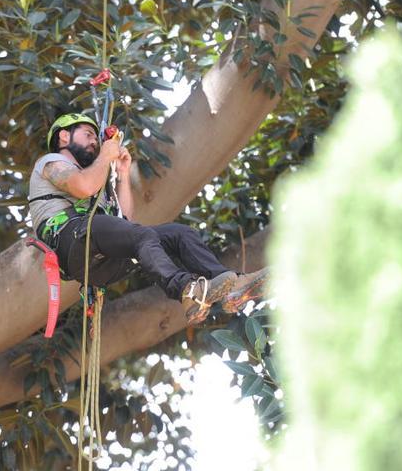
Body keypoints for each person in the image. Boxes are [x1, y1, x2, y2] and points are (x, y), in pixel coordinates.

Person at [28, 112, 243, 325]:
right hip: (70, 243)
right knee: (141, 234)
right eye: (88, 134)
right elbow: (83, 186)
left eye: (95, 137)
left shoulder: (95, 178)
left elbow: (125, 224)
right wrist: (105, 155)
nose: (95, 141)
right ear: (64, 137)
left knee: (179, 234)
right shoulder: (51, 163)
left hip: (98, 254)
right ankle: (185, 290)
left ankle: (231, 286)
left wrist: (122, 174)